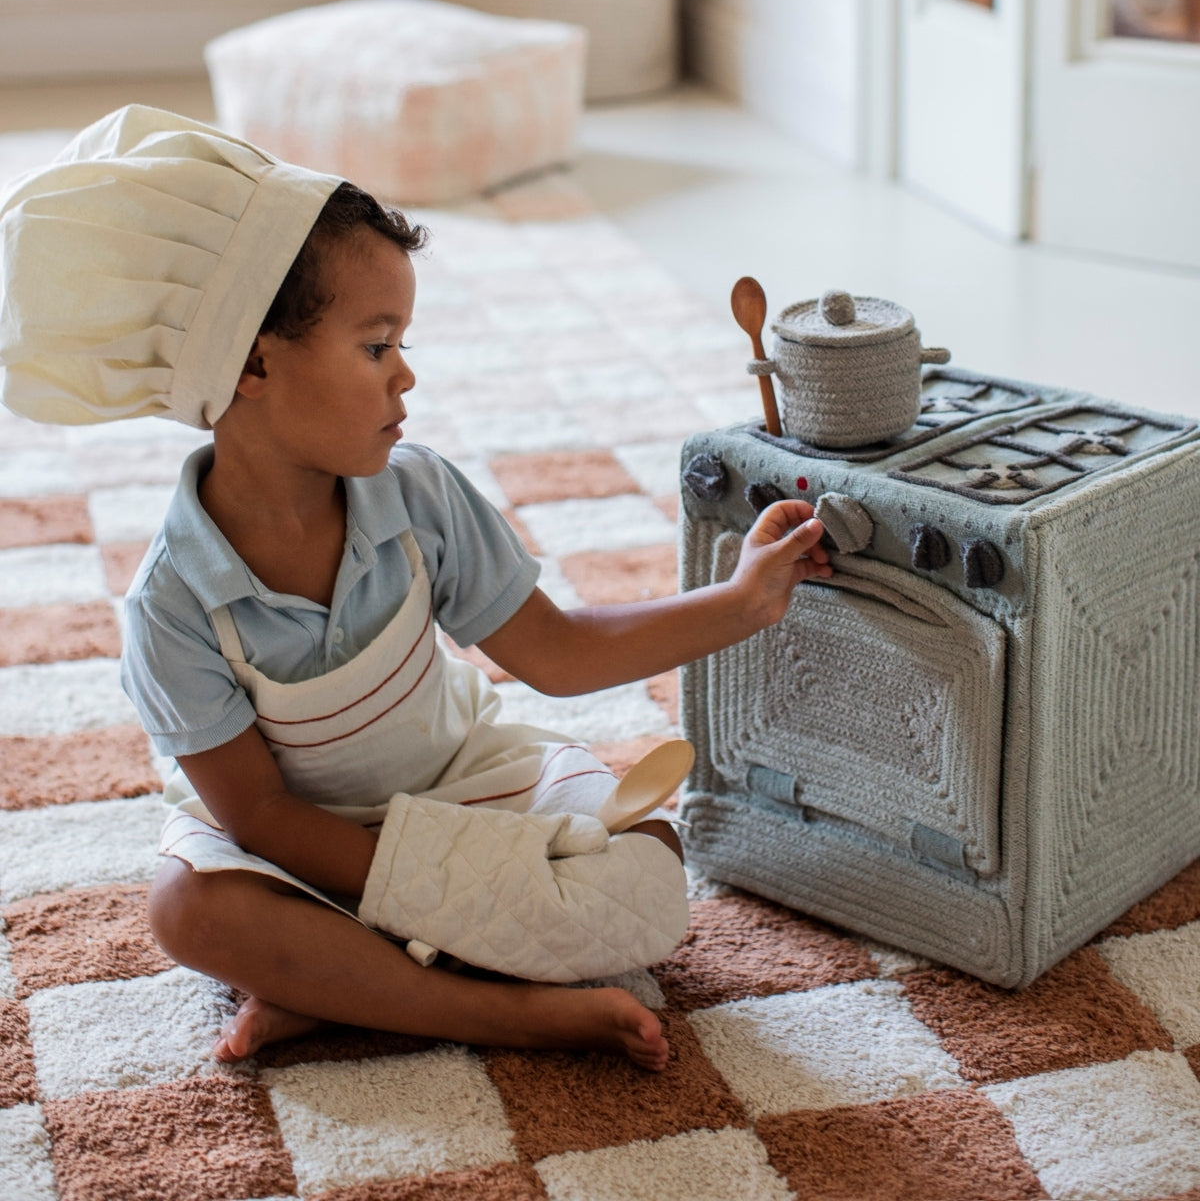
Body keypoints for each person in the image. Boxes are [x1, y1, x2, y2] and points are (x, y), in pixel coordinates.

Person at [0, 106, 831, 1073]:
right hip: (310, 850)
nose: (407, 377)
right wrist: (437, 886)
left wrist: (742, 601)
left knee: (650, 873)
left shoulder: (420, 494)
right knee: (187, 911)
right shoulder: (171, 607)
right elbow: (261, 819)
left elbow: (558, 656)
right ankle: (512, 1013)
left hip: (467, 783)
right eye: (376, 345)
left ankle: (353, 987)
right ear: (254, 362)